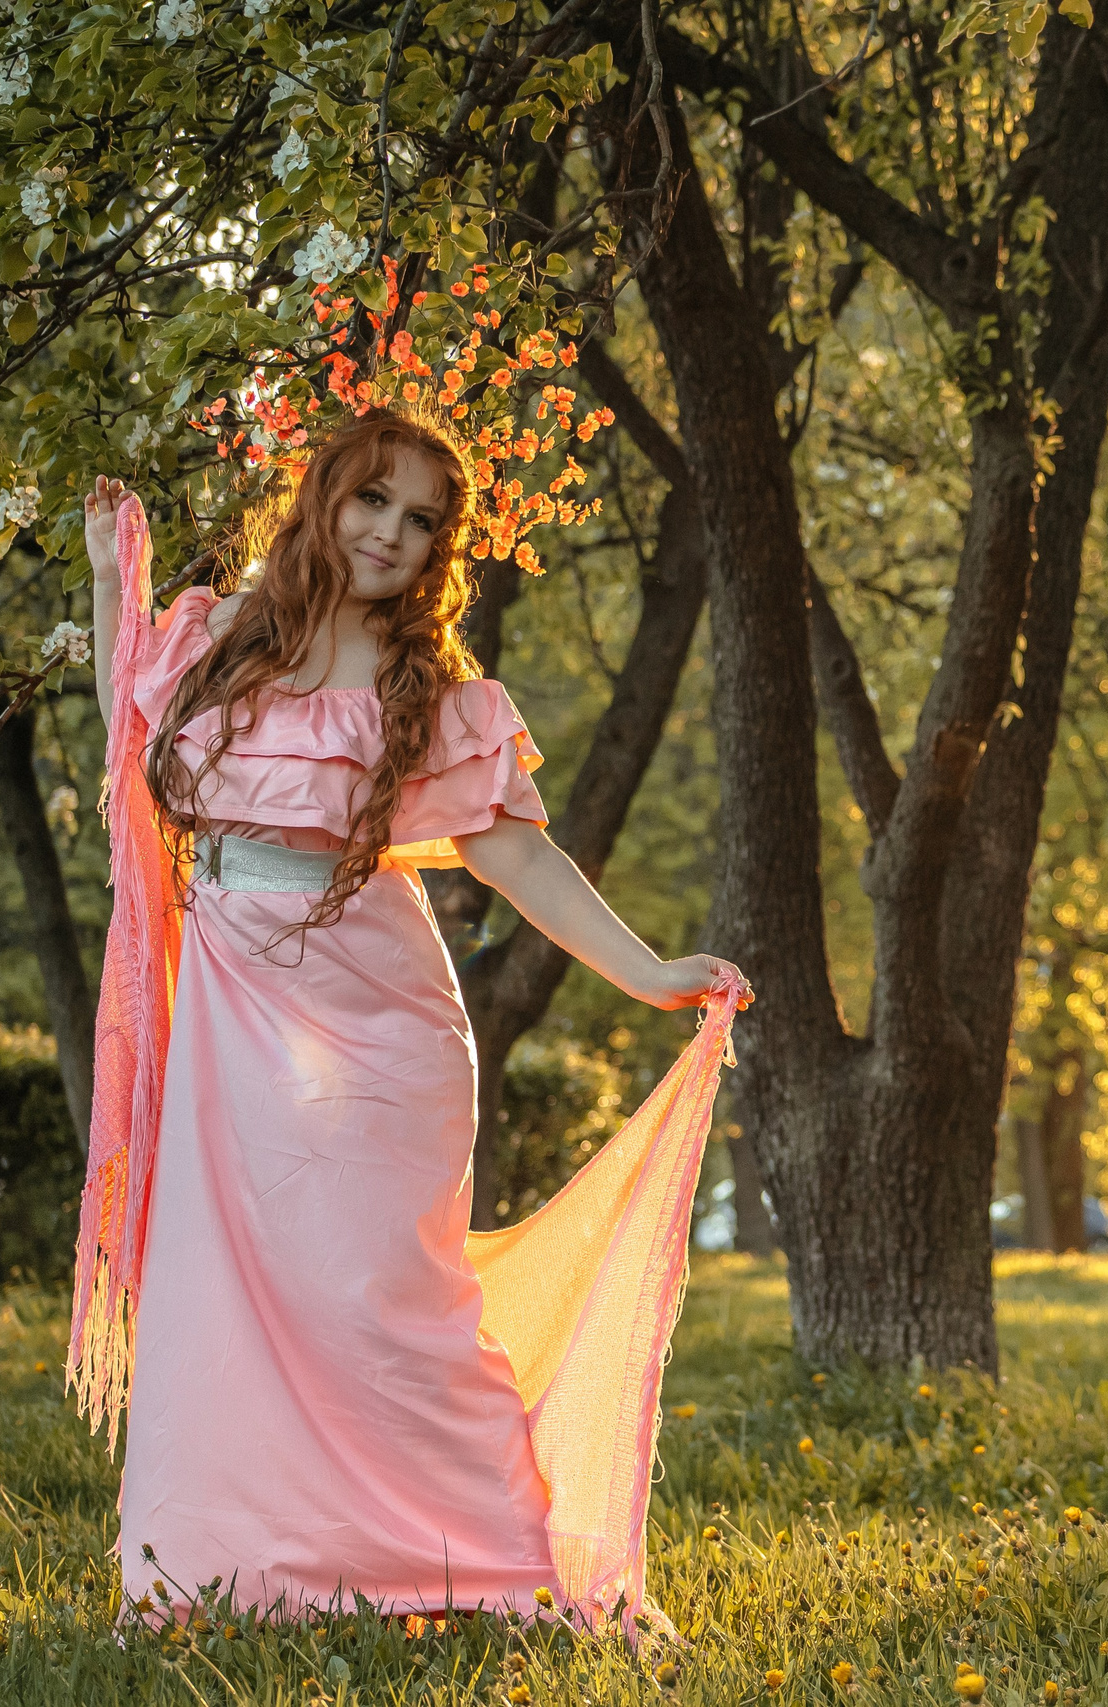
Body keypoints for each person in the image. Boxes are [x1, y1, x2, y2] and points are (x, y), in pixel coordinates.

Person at [70, 407, 747, 1644]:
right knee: (222, 1295)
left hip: (375, 1029)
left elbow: (514, 858)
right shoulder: (219, 641)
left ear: (439, 547)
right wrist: (113, 570)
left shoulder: (424, 690)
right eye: (372, 499)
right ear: (323, 498)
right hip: (233, 1022)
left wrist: (647, 972)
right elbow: (124, 735)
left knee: (386, 1297)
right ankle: (217, 1574)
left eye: (420, 518)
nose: (389, 532)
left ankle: (505, 1574)